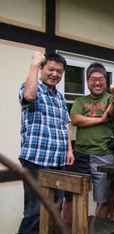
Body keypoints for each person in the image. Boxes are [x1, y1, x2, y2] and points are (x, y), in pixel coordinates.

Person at [18, 51, 74, 234]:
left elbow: (64, 125)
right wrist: (34, 63)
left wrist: (69, 150)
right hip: (35, 161)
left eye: (59, 71)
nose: (55, 74)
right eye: (51, 69)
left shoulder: (59, 97)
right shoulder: (31, 87)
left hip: (57, 162)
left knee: (54, 209)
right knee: (34, 213)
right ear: (42, 68)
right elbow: (29, 96)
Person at [64, 62, 114, 219]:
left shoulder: (112, 98)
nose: (97, 82)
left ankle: (97, 229)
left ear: (106, 80)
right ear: (87, 81)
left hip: (103, 155)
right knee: (74, 196)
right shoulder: (80, 101)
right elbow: (75, 119)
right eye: (93, 79)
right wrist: (101, 119)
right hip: (80, 154)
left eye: (101, 78)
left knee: (102, 199)